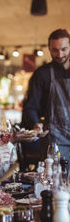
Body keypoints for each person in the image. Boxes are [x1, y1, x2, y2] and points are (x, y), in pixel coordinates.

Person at [24, 28, 70, 160]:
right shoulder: (41, 74)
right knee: (55, 178)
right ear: (49, 49)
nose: (60, 54)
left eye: (64, 49)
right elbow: (31, 106)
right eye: (55, 50)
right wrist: (36, 123)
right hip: (54, 139)